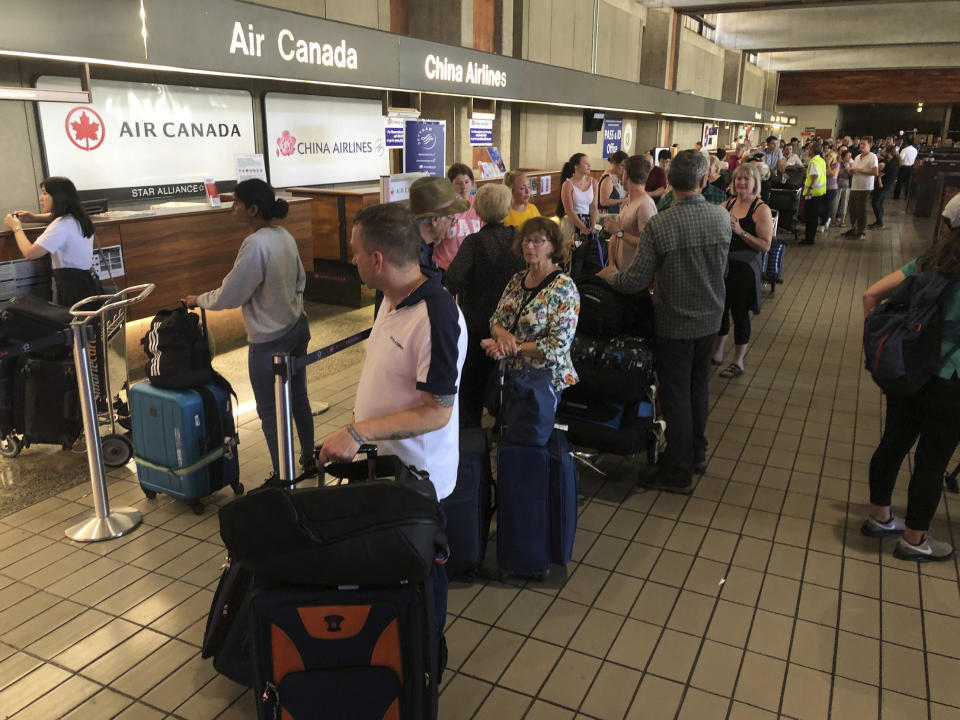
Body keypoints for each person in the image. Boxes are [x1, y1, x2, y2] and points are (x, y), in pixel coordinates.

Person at [318, 201, 467, 628]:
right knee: (388, 576)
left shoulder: (437, 316)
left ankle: (426, 658)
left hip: (417, 481)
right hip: (384, 469)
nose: (351, 259)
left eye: (354, 251)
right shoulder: (388, 299)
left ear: (377, 260)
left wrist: (357, 430)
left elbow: (437, 413)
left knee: (422, 576)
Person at [604, 151, 730, 494]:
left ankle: (677, 471)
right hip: (711, 318)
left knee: (675, 396)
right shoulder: (721, 218)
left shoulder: (662, 224)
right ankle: (697, 454)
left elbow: (634, 281)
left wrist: (604, 281)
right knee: (698, 388)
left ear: (670, 183)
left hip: (675, 322)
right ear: (704, 181)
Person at [184, 179, 314, 481]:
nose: (233, 210)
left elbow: (232, 293)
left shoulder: (255, 244)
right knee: (298, 399)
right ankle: (309, 458)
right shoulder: (284, 236)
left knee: (269, 410)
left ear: (253, 209)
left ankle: (283, 474)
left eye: (237, 204)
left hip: (269, 340)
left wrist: (199, 300)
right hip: (297, 327)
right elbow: (300, 280)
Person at [861, 222, 960, 561]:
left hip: (909, 372)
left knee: (893, 443)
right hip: (952, 381)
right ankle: (915, 540)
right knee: (932, 461)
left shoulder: (927, 263)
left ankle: (880, 517)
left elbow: (870, 295)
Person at [443, 184, 524, 425]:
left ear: (477, 209)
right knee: (511, 384)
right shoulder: (521, 239)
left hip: (478, 326)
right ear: (507, 207)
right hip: (514, 327)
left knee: (472, 387)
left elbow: (453, 280)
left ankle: (472, 440)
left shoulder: (474, 243)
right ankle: (504, 430)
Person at [485, 217, 580, 399]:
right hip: (512, 376)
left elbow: (558, 345)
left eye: (538, 241)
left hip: (545, 381)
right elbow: (495, 320)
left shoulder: (564, 287)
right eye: (526, 240)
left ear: (553, 246)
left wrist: (509, 348)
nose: (529, 246)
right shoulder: (517, 279)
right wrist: (503, 336)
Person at [713, 163, 773, 379]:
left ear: (755, 183)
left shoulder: (760, 209)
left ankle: (738, 361)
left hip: (745, 270)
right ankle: (717, 352)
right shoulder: (727, 204)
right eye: (738, 179)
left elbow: (765, 245)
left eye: (747, 179)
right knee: (720, 310)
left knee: (739, 314)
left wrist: (741, 232)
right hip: (724, 267)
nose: (742, 183)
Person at [4, 176, 98, 308]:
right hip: (86, 282)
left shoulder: (61, 225)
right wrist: (33, 217)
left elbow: (30, 253)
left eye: (45, 193)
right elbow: (55, 217)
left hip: (70, 287)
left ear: (59, 196)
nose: (41, 198)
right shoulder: (78, 217)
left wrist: (16, 227)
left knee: (71, 324)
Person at [600, 155, 657, 273]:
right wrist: (611, 265)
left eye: (623, 172)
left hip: (634, 275)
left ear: (627, 175)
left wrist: (619, 232)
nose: (621, 176)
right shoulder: (628, 201)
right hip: (619, 270)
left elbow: (648, 244)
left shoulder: (645, 205)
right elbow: (614, 237)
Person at [409, 176, 470, 270]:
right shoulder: (415, 264)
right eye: (451, 218)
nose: (453, 224)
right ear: (435, 220)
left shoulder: (417, 245)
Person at [556, 153, 602, 277]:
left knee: (587, 254)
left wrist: (592, 225)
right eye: (585, 163)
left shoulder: (594, 182)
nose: (589, 166)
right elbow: (569, 210)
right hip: (572, 221)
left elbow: (593, 207)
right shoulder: (568, 184)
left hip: (587, 220)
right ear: (576, 166)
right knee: (572, 256)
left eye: (589, 163)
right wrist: (582, 228)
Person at [432, 164, 482, 271]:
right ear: (450, 185)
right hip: (446, 268)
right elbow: (433, 241)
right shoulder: (443, 207)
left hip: (472, 268)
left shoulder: (479, 205)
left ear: (472, 183)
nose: (463, 187)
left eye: (467, 182)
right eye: (458, 183)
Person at [843, 138, 878, 240]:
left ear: (870, 145)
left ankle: (861, 232)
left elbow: (875, 172)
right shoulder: (858, 157)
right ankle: (854, 228)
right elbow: (854, 170)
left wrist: (858, 170)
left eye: (864, 144)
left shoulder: (873, 157)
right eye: (861, 144)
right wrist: (851, 170)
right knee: (852, 208)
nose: (861, 145)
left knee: (861, 209)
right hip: (855, 186)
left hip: (865, 187)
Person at [800, 141, 826, 245]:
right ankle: (810, 237)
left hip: (813, 193)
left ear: (813, 150)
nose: (807, 151)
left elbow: (815, 176)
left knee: (810, 217)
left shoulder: (814, 162)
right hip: (820, 192)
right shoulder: (821, 160)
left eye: (809, 149)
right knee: (814, 217)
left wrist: (810, 189)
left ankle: (809, 239)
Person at [869, 145, 899, 229]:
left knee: (875, 203)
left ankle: (880, 223)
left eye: (884, 151)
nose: (882, 152)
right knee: (879, 203)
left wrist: (877, 171)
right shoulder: (893, 160)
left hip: (884, 185)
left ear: (889, 153)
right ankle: (879, 221)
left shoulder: (892, 163)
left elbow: (880, 174)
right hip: (886, 185)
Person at [821, 149, 840, 232]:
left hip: (832, 188)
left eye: (830, 156)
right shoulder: (822, 164)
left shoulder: (837, 165)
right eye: (827, 156)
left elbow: (833, 175)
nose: (828, 158)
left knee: (828, 205)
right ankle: (825, 219)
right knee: (822, 206)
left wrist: (828, 165)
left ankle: (824, 222)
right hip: (822, 187)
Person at [834, 148, 852, 228]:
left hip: (847, 186)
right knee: (835, 203)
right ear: (843, 156)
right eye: (848, 156)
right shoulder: (838, 164)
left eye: (850, 156)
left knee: (844, 203)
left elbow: (851, 174)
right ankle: (833, 220)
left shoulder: (851, 164)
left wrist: (848, 167)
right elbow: (836, 174)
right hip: (837, 185)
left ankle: (843, 221)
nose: (849, 158)